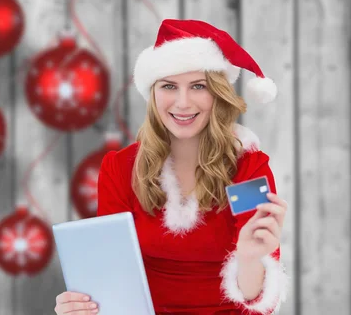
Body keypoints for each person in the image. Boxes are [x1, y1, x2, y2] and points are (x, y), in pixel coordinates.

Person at [54, 19, 289, 315]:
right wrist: (84, 307)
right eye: (169, 86)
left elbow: (258, 304)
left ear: (217, 94)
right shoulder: (120, 168)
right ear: (153, 93)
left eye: (198, 86)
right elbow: (113, 275)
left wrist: (250, 258)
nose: (182, 102)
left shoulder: (249, 170)